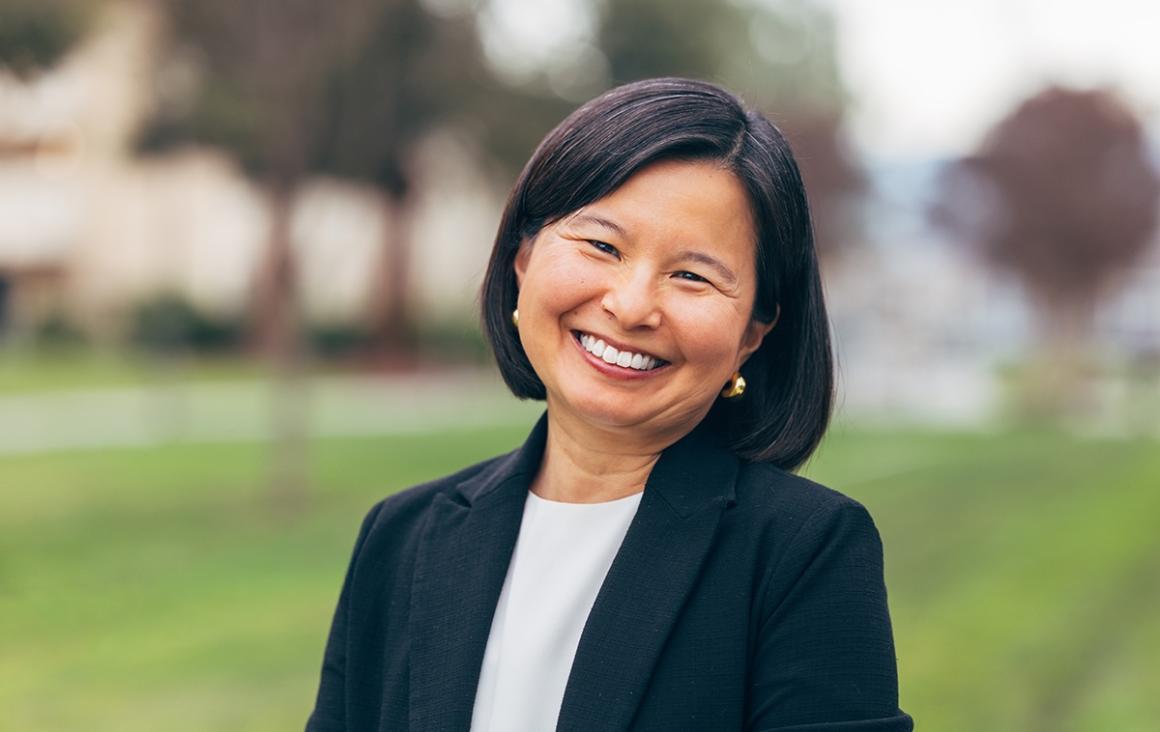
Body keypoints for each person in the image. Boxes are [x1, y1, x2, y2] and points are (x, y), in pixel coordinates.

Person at [306, 77, 913, 731]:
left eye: (691, 275)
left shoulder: (803, 552)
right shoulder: (401, 538)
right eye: (602, 245)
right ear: (523, 258)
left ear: (752, 335)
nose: (630, 306)